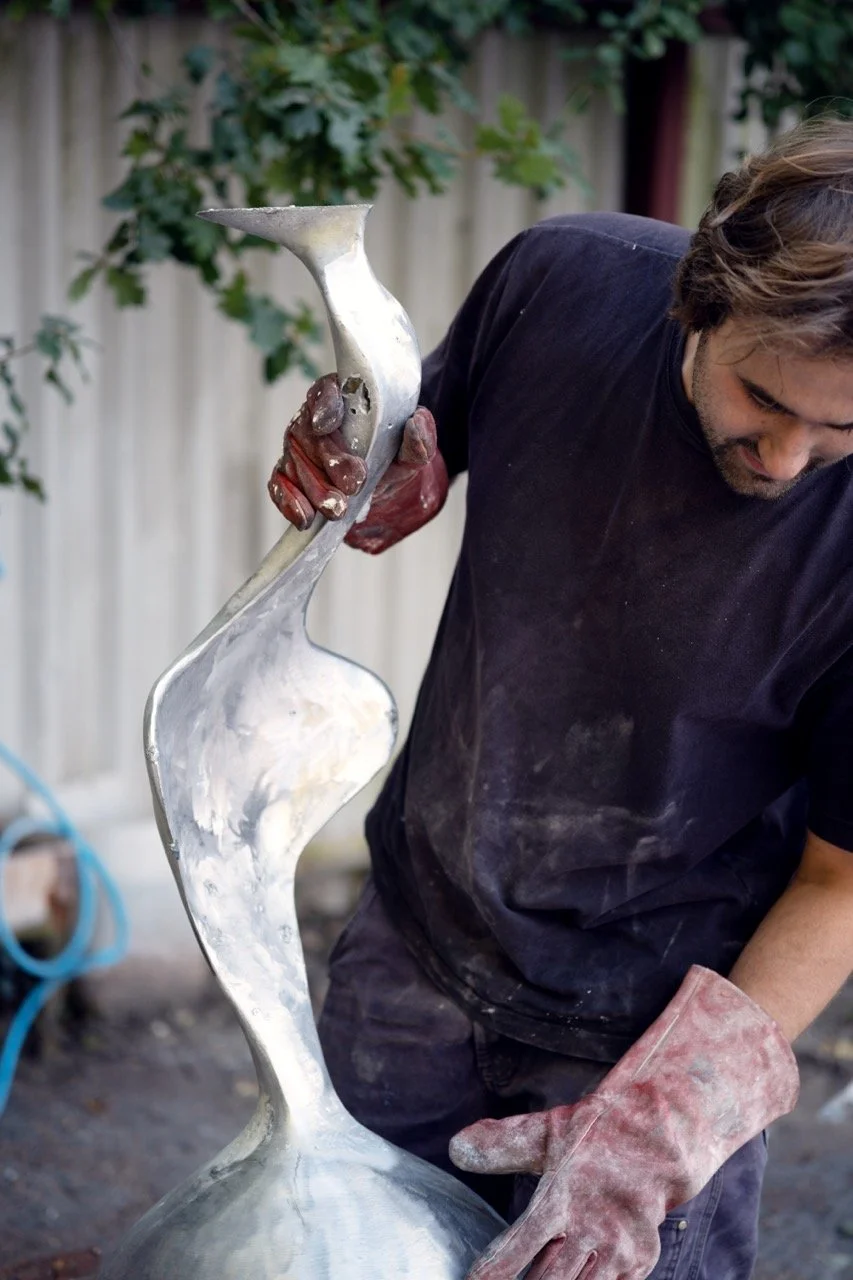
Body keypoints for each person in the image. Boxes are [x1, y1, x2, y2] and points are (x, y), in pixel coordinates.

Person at [268, 116, 853, 1280]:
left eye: (840, 428)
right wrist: (369, 463)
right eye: (760, 397)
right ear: (697, 305)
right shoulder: (561, 284)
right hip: (415, 942)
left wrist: (674, 1109)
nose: (786, 457)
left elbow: (840, 881)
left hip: (653, 1025)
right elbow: (413, 445)